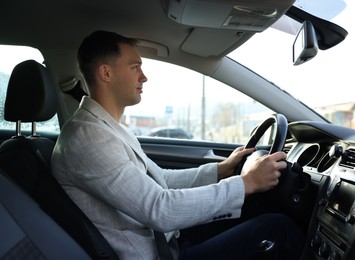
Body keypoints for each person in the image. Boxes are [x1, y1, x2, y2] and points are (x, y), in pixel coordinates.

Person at [51, 30, 305, 260]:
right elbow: (161, 209)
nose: (144, 76)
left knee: (254, 210)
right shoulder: (88, 138)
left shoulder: (106, 128)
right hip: (159, 253)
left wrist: (222, 170)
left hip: (165, 240)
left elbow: (160, 178)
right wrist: (246, 183)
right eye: (134, 67)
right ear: (106, 73)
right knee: (277, 229)